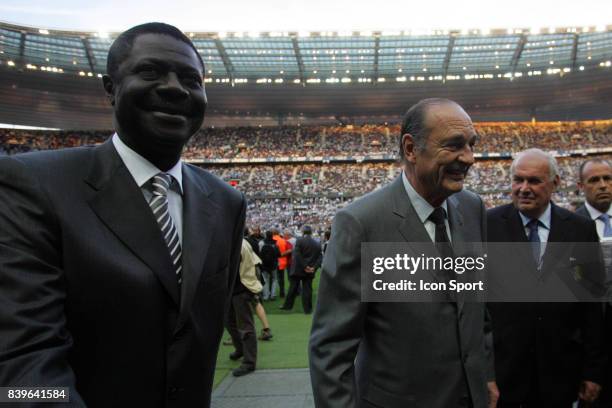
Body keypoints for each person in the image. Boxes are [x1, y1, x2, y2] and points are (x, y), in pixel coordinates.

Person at [0, 23, 246, 408]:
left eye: (190, 79)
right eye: (150, 72)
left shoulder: (226, 202)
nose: (174, 87)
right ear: (110, 88)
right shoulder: (35, 185)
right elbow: (20, 368)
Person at [309, 98, 498, 408]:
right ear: (411, 149)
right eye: (454, 145)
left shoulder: (472, 207)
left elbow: (478, 309)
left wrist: (486, 375)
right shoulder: (361, 223)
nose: (469, 158)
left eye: (471, 144)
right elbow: (331, 348)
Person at [487, 149, 605, 407]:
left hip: (562, 371)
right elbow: (476, 307)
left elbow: (591, 306)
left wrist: (593, 371)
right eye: (518, 180)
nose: (524, 188)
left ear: (556, 183)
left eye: (534, 181)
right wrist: (484, 373)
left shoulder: (579, 230)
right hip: (505, 373)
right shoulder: (488, 226)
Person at [576, 158, 612, 407]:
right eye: (594, 180)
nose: (602, 185)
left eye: (607, 179)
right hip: (595, 346)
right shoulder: (570, 228)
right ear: (581, 186)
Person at [226, 239, 263, 377]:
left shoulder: (237, 243)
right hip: (233, 289)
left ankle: (249, 362)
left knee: (245, 326)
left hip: (241, 289)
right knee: (230, 323)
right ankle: (240, 349)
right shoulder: (238, 241)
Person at [280, 225, 322, 314]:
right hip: (310, 269)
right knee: (307, 290)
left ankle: (288, 306)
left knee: (293, 288)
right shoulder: (317, 242)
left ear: (303, 232)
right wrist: (313, 267)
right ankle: (307, 309)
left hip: (299, 269)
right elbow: (320, 257)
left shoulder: (300, 241)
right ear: (311, 232)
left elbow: (297, 255)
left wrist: (305, 266)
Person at [259, 230, 281, 300]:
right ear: (272, 235)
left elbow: (260, 253)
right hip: (274, 264)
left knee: (265, 280)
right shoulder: (275, 243)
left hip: (264, 264)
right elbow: (279, 254)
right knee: (274, 279)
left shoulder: (261, 242)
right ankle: (273, 295)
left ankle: (266, 296)